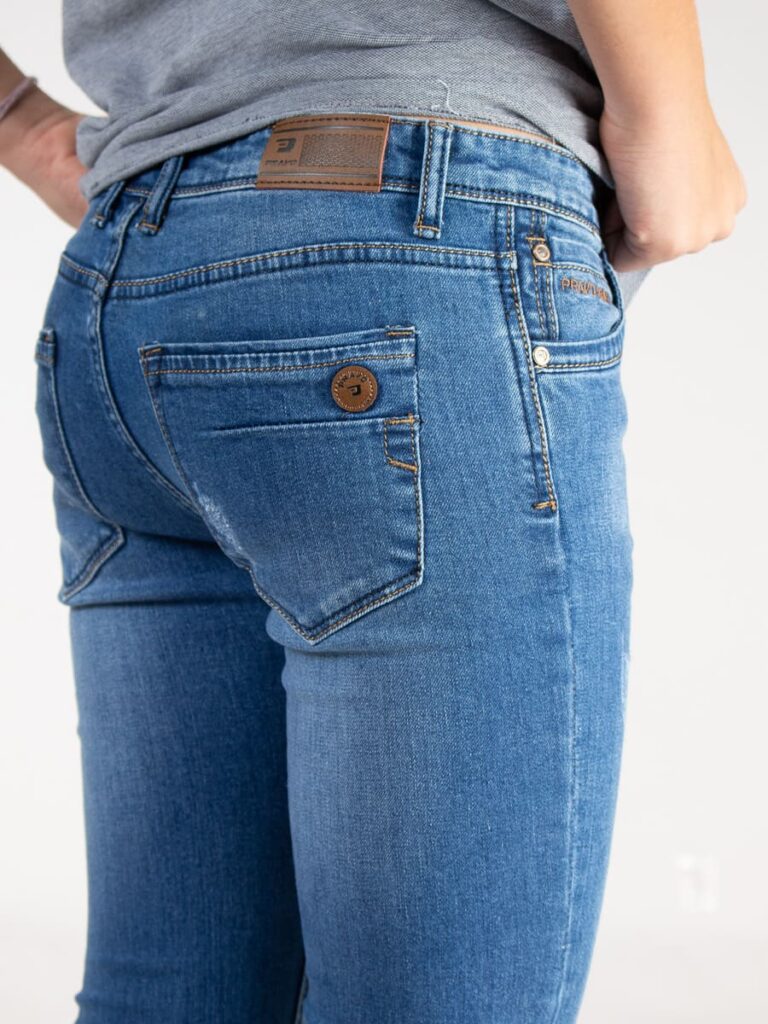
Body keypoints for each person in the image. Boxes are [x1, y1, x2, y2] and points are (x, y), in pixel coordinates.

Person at [0, 3, 746, 1023]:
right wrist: (670, 112)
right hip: (413, 231)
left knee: (173, 996)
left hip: (131, 271)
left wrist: (20, 121)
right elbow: (668, 168)